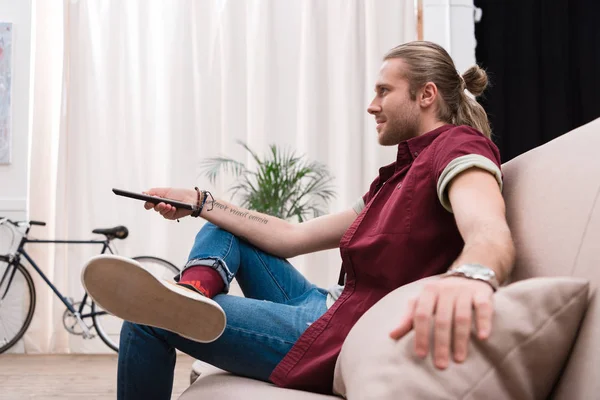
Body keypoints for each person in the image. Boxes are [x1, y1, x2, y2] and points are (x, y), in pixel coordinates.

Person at [82, 40, 515, 399]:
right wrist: (199, 201)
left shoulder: (459, 149)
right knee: (221, 226)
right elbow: (292, 237)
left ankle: (179, 306)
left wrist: (472, 276)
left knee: (147, 316)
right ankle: (193, 294)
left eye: (384, 91)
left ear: (426, 95)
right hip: (325, 305)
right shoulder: (400, 175)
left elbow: (488, 230)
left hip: (338, 333)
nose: (372, 105)